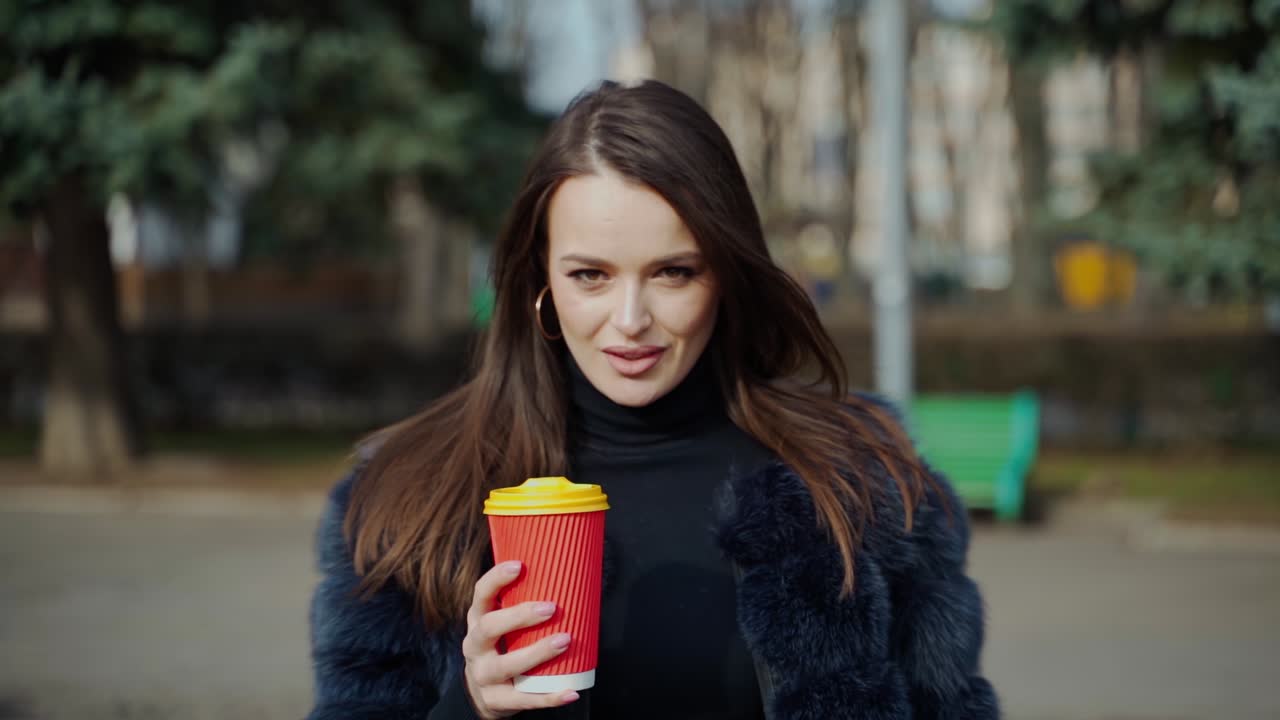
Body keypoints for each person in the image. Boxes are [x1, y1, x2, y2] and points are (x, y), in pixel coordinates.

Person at [306, 79, 998, 720]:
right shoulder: (410, 497)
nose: (630, 318)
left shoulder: (863, 482)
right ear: (540, 279)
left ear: (725, 276)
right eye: (591, 275)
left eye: (673, 272)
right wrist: (471, 708)